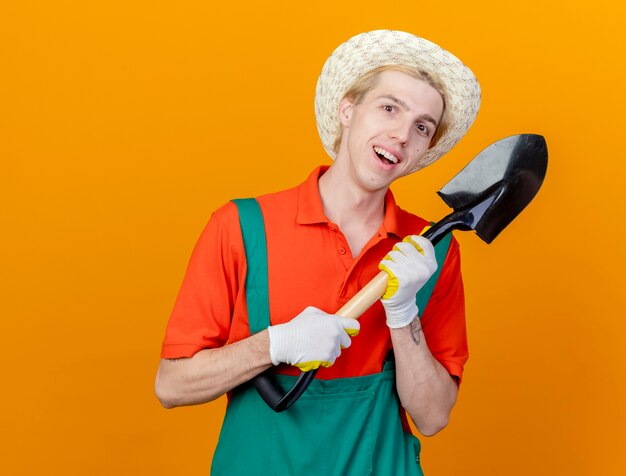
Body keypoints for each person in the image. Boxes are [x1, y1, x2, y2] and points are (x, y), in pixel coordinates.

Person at [155, 30, 481, 475]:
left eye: (422, 127)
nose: (402, 134)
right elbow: (172, 385)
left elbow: (433, 417)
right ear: (348, 109)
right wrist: (276, 344)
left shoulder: (431, 250)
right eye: (389, 108)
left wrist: (403, 316)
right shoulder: (242, 228)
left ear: (425, 149)